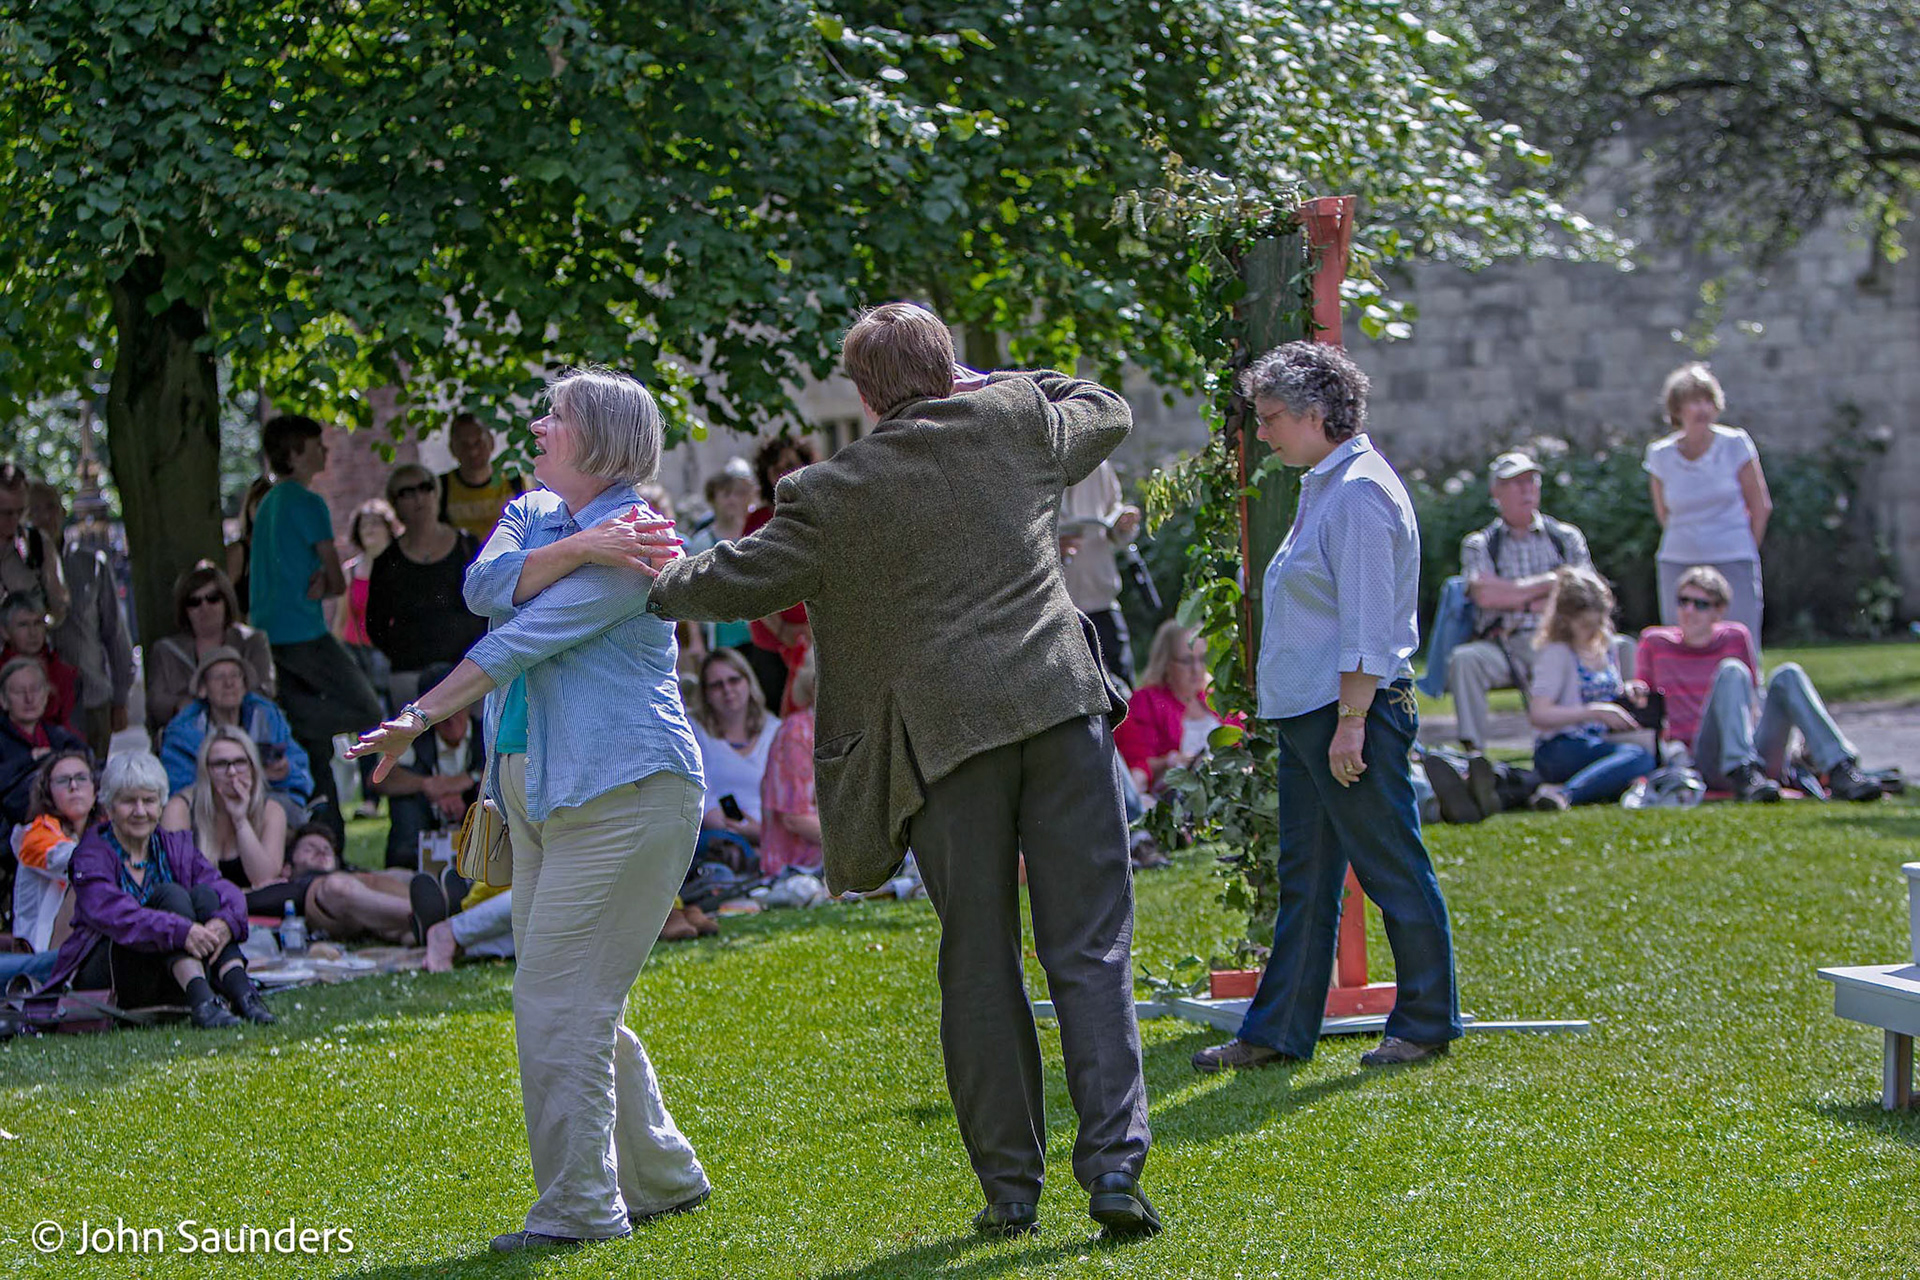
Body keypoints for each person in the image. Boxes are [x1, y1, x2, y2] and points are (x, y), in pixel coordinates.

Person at [646, 302, 1159, 1240]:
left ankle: (1011, 1192)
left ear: (865, 393)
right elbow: (1106, 406)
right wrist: (997, 384)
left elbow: (724, 582)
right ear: (952, 366)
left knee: (977, 961)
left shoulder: (833, 489)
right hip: (1057, 712)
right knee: (1089, 949)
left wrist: (649, 571)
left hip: (946, 748)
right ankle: (1117, 1170)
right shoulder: (1015, 420)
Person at [349, 366, 710, 1253]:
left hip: (627, 789)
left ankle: (581, 1209)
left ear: (602, 440)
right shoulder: (536, 512)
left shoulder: (646, 538)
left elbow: (517, 638)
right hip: (546, 795)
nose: (537, 426)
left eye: (556, 416)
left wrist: (415, 717)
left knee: (558, 1003)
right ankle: (663, 1175)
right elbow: (482, 589)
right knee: (567, 998)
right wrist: (580, 548)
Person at [1190, 341, 1460, 1075]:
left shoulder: (1360, 491)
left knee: (1389, 864)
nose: (1264, 431)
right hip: (1316, 712)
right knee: (1308, 877)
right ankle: (1278, 1030)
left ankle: (1428, 1021)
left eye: (1272, 416)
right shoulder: (1327, 483)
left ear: (1316, 413)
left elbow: (1369, 622)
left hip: (1350, 713)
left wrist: (1351, 722)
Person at [37, 750, 273, 1029]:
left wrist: (225, 922)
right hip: (111, 975)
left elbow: (225, 889)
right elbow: (114, 915)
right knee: (169, 895)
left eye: (149, 800)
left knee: (206, 896)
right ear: (109, 807)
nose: (140, 811)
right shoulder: (91, 855)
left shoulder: (175, 846)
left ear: (160, 805)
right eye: (128, 802)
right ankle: (202, 1000)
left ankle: (243, 993)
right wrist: (181, 931)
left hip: (166, 974)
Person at [1636, 564, 1883, 803]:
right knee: (1731, 670)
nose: (1689, 610)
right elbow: (1642, 700)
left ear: (1718, 611)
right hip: (1703, 757)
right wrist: (1632, 689)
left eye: (1700, 604)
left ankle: (1840, 768)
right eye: (1683, 601)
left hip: (1755, 756)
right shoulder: (1655, 642)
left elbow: (1752, 703)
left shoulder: (1736, 637)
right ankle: (1741, 770)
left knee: (1788, 674)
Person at [247, 414, 385, 834]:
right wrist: (325, 581)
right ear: (294, 454)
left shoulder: (268, 502)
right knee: (367, 709)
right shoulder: (308, 503)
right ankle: (290, 720)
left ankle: (329, 844)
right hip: (304, 633)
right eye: (316, 445)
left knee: (314, 752)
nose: (325, 451)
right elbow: (336, 579)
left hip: (270, 636)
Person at [1445, 451, 1593, 749]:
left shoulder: (1565, 537)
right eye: (1516, 483)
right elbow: (1484, 595)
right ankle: (1474, 758)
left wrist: (1509, 593)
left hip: (1559, 639)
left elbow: (1587, 594)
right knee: (1465, 660)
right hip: (1505, 642)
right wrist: (1552, 583)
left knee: (1617, 647)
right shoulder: (1480, 544)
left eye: (1531, 481)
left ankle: (1591, 743)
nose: (1526, 489)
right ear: (1496, 492)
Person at [1646, 363, 1772, 645]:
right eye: (1693, 401)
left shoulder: (1735, 444)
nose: (1702, 409)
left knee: (1740, 640)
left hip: (1732, 554)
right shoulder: (1660, 455)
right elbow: (1663, 511)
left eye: (1707, 401)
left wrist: (1744, 546)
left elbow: (1760, 505)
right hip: (1679, 558)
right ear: (1678, 409)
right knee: (1681, 642)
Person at [1525, 567, 1656, 809]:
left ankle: (1562, 789)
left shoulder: (1605, 645)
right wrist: (1594, 711)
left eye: (1600, 621)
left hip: (1600, 742)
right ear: (1566, 620)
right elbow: (1539, 714)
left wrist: (1627, 690)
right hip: (1560, 747)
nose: (1594, 631)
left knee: (1651, 756)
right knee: (1638, 758)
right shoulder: (1557, 653)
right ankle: (1565, 795)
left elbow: (1607, 692)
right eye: (1586, 625)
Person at [365, 464, 486, 710]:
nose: (419, 498)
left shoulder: (467, 545)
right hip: (410, 676)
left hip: (469, 671)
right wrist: (404, 649)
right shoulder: (387, 561)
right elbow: (375, 624)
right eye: (407, 492)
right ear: (395, 504)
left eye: (425, 487)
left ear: (437, 493)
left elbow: (488, 603)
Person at [28, 483, 134, 759]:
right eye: (33, 510)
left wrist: (120, 698)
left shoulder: (92, 564)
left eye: (50, 507)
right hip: (35, 704)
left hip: (91, 698)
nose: (43, 517)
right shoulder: (16, 570)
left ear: (63, 512)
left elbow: (115, 634)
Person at [159, 648, 312, 814]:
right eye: (219, 677)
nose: (229, 683)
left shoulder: (268, 718)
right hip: (208, 814)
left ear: (245, 686)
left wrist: (286, 771)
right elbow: (178, 787)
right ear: (203, 688)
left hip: (268, 803)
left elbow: (301, 771)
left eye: (235, 676)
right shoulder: (183, 733)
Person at [367, 663, 485, 870]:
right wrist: (427, 785)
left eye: (456, 707)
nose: (451, 718)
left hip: (474, 818)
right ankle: (406, 867)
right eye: (443, 711)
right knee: (404, 802)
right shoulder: (415, 739)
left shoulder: (485, 733)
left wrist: (467, 781)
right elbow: (379, 779)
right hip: (424, 823)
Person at [144, 561, 277, 732]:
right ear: (184, 609)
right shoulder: (165, 651)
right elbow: (156, 705)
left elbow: (266, 692)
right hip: (187, 741)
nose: (204, 607)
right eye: (194, 602)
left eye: (213, 598)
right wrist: (180, 705)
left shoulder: (253, 641)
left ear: (226, 601)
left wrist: (219, 701)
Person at [740, 434, 819, 711]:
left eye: (791, 464)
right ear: (766, 476)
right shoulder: (758, 520)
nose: (785, 472)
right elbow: (748, 583)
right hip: (772, 643)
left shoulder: (820, 511)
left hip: (817, 638)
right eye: (776, 468)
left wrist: (811, 627)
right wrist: (781, 628)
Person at [1113, 620, 1237, 794]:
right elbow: (1135, 763)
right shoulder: (1147, 702)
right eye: (1187, 661)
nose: (1197, 669)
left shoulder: (1217, 699)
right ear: (1166, 663)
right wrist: (1170, 762)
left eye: (1201, 659)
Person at [687, 649, 779, 866]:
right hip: (722, 833)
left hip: (776, 834)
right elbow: (699, 797)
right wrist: (744, 831)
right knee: (724, 850)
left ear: (748, 682)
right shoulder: (694, 731)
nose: (727, 690)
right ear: (705, 693)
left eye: (734, 680)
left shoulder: (776, 730)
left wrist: (763, 833)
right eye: (717, 685)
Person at [9, 750, 95, 974]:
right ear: (48, 793)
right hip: (40, 955)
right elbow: (81, 862)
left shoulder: (99, 832)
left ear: (95, 789)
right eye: (63, 781)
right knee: (87, 877)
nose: (74, 786)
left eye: (81, 778)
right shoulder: (35, 835)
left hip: (85, 947)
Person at [1059, 460, 1143, 686]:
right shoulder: (1030, 460)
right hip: (1056, 608)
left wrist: (1124, 524)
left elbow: (1113, 519)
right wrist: (1051, 546)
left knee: (1123, 689)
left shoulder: (1097, 463)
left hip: (1101, 601)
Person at [681, 458, 757, 658]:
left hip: (756, 635)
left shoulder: (756, 535)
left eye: (738, 494)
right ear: (713, 499)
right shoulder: (700, 542)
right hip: (719, 637)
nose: (732, 500)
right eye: (725, 494)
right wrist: (696, 641)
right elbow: (692, 593)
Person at [333, 497, 401, 714]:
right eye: (363, 524)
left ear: (389, 528)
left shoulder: (402, 566)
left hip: (393, 657)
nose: (368, 529)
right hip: (358, 655)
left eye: (375, 523)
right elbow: (340, 619)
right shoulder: (350, 570)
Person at [0, 657, 86, 828]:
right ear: (2, 699)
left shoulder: (63, 738)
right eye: (19, 691)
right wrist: (29, 759)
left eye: (35, 689)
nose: (29, 698)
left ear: (47, 694)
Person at [758, 650, 820, 876]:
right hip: (798, 867)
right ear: (813, 686)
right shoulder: (797, 732)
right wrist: (859, 844)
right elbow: (795, 819)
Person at [1, 592, 83, 737]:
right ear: (5, 632)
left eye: (38, 623)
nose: (33, 633)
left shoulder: (65, 673)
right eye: (23, 625)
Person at [0, 463, 68, 626]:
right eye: (6, 513)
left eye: (21, 511)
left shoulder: (39, 544)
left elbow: (59, 608)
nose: (14, 520)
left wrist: (34, 626)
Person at [439, 413, 525, 540]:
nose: (472, 451)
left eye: (478, 442)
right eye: (464, 444)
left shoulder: (514, 481)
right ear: (452, 448)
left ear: (491, 442)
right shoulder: (441, 487)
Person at [225, 475, 273, 618]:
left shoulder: (285, 552)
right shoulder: (239, 552)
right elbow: (224, 599)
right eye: (260, 505)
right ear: (249, 509)